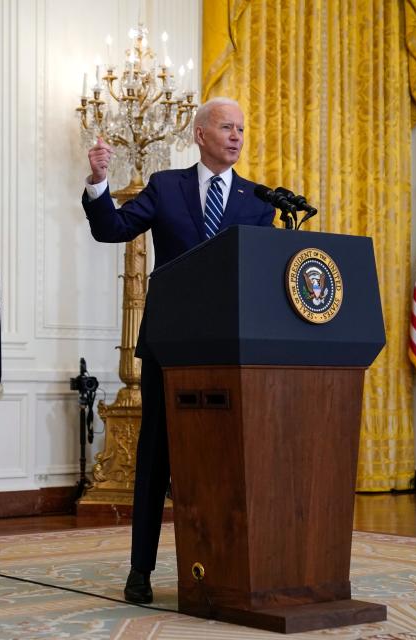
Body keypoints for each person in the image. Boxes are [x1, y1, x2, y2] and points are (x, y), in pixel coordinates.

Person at [81, 97, 275, 604]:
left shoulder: (259, 201)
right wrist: (99, 182)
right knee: (156, 457)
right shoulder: (167, 187)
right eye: (226, 127)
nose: (236, 136)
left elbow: (266, 271)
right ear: (200, 134)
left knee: (227, 458)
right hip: (170, 344)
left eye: (241, 128)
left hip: (232, 348)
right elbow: (112, 229)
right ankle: (139, 571)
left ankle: (229, 567)